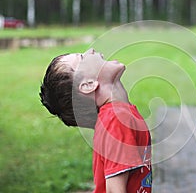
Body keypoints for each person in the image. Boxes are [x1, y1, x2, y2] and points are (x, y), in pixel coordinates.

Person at [39, 48, 152, 193]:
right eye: (82, 57)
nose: (90, 50)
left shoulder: (118, 116)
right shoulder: (116, 120)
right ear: (88, 84)